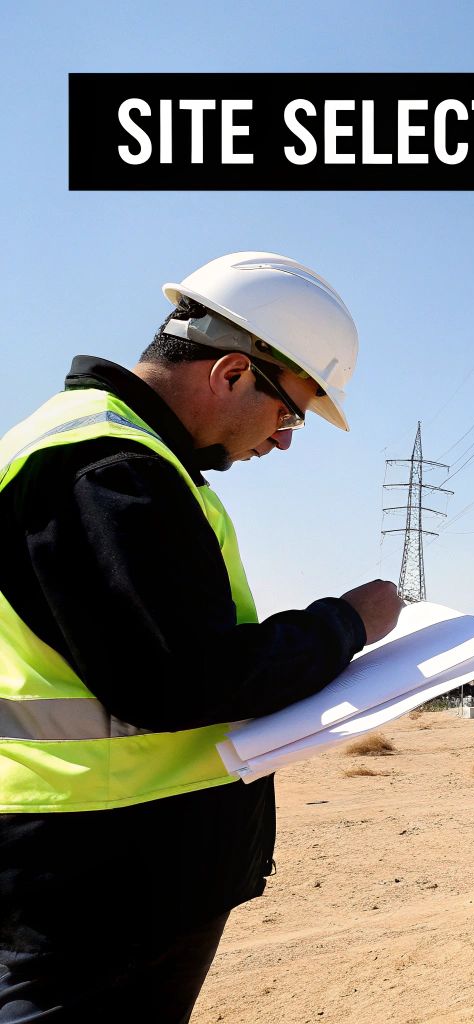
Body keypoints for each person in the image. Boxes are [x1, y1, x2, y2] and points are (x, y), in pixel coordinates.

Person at [0, 252, 406, 1022]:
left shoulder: (111, 456)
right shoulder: (107, 469)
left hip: (100, 863)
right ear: (229, 374)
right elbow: (180, 677)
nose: (284, 440)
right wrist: (349, 622)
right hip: (98, 875)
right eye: (290, 411)